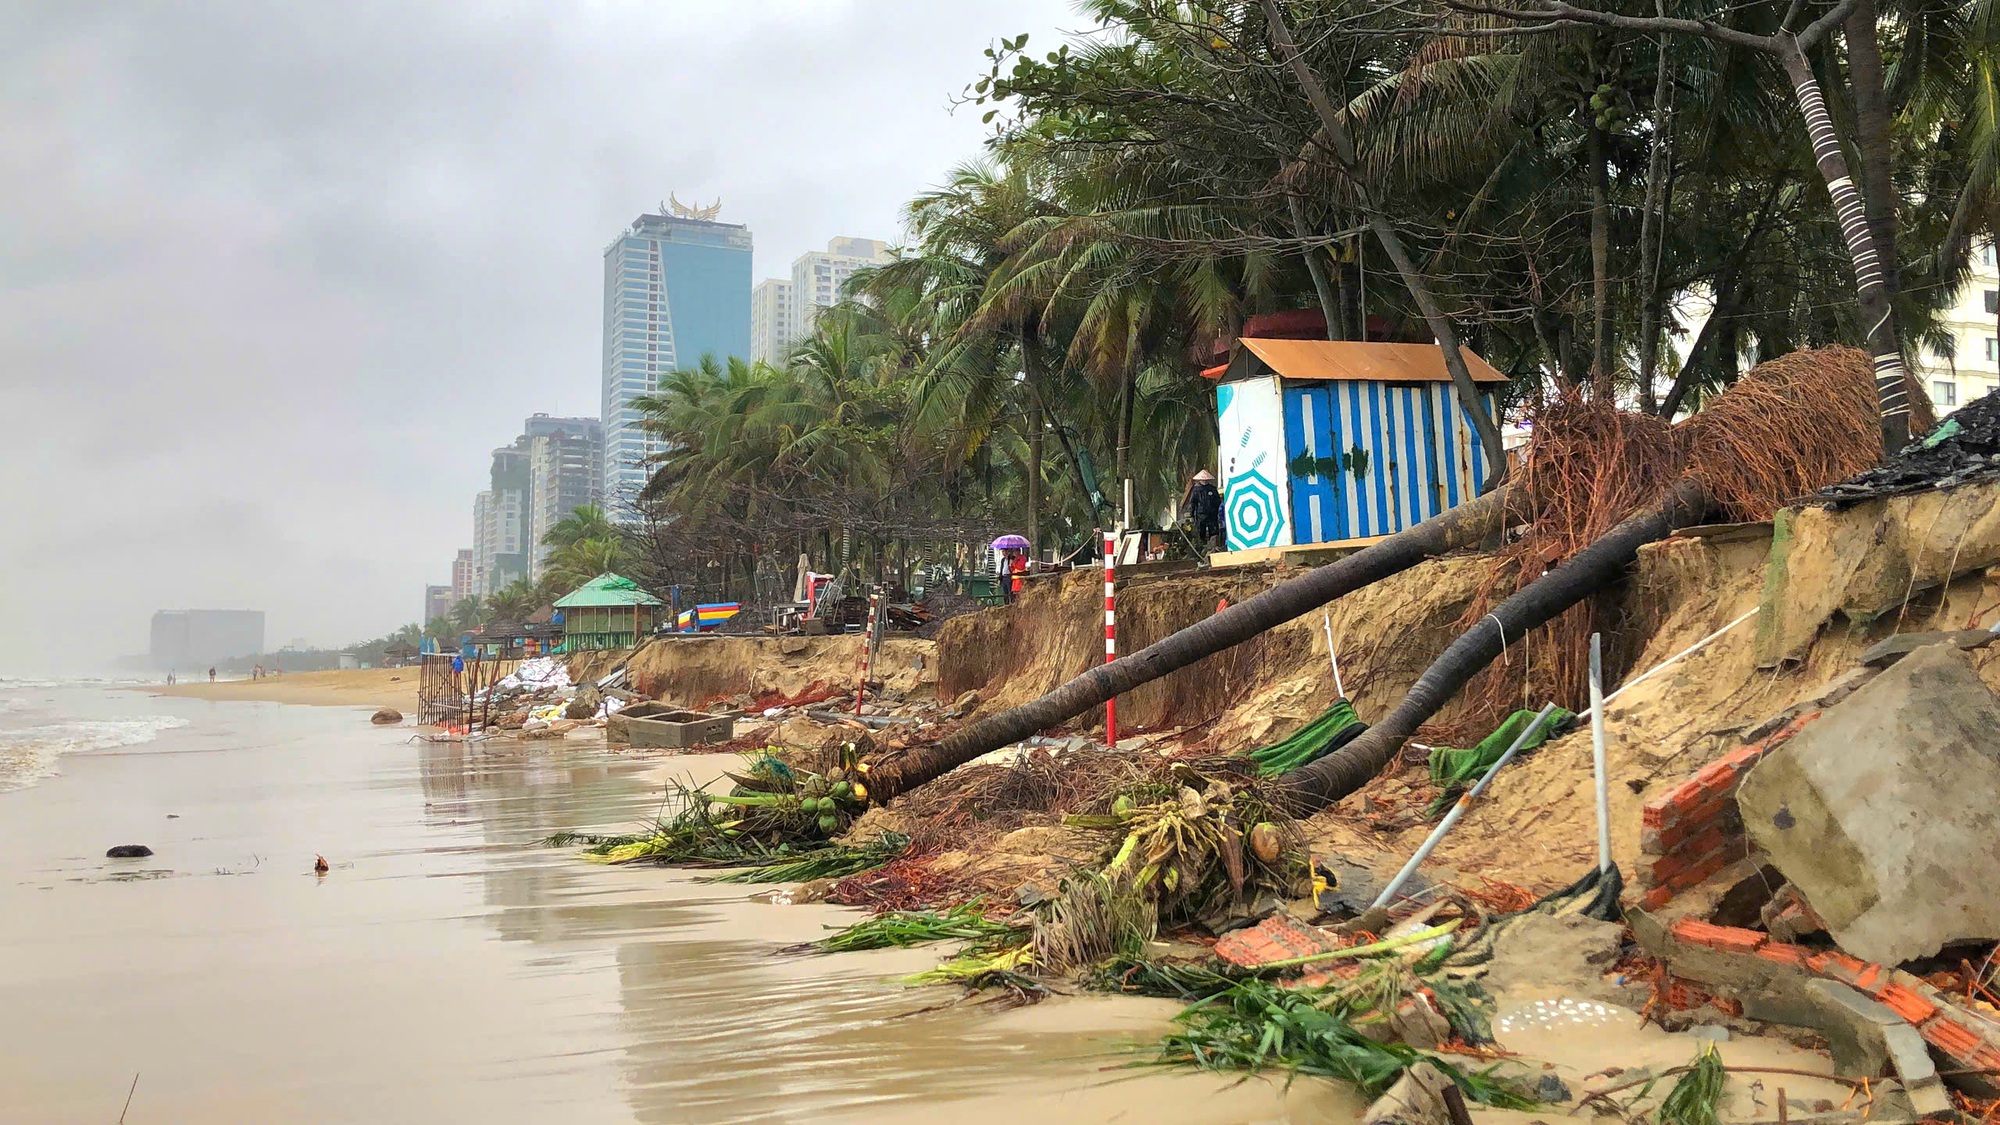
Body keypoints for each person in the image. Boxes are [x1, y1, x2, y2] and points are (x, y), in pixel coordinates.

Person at [1183, 469, 1224, 550]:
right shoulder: (1196, 490)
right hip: (1200, 515)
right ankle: (1201, 548)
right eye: (1203, 479)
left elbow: (1218, 501)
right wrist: (1191, 514)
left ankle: (1214, 547)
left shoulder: (1212, 489)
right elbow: (1192, 503)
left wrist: (1218, 512)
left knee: (1214, 532)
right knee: (1201, 532)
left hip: (1212, 515)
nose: (1204, 481)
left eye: (1206, 479)